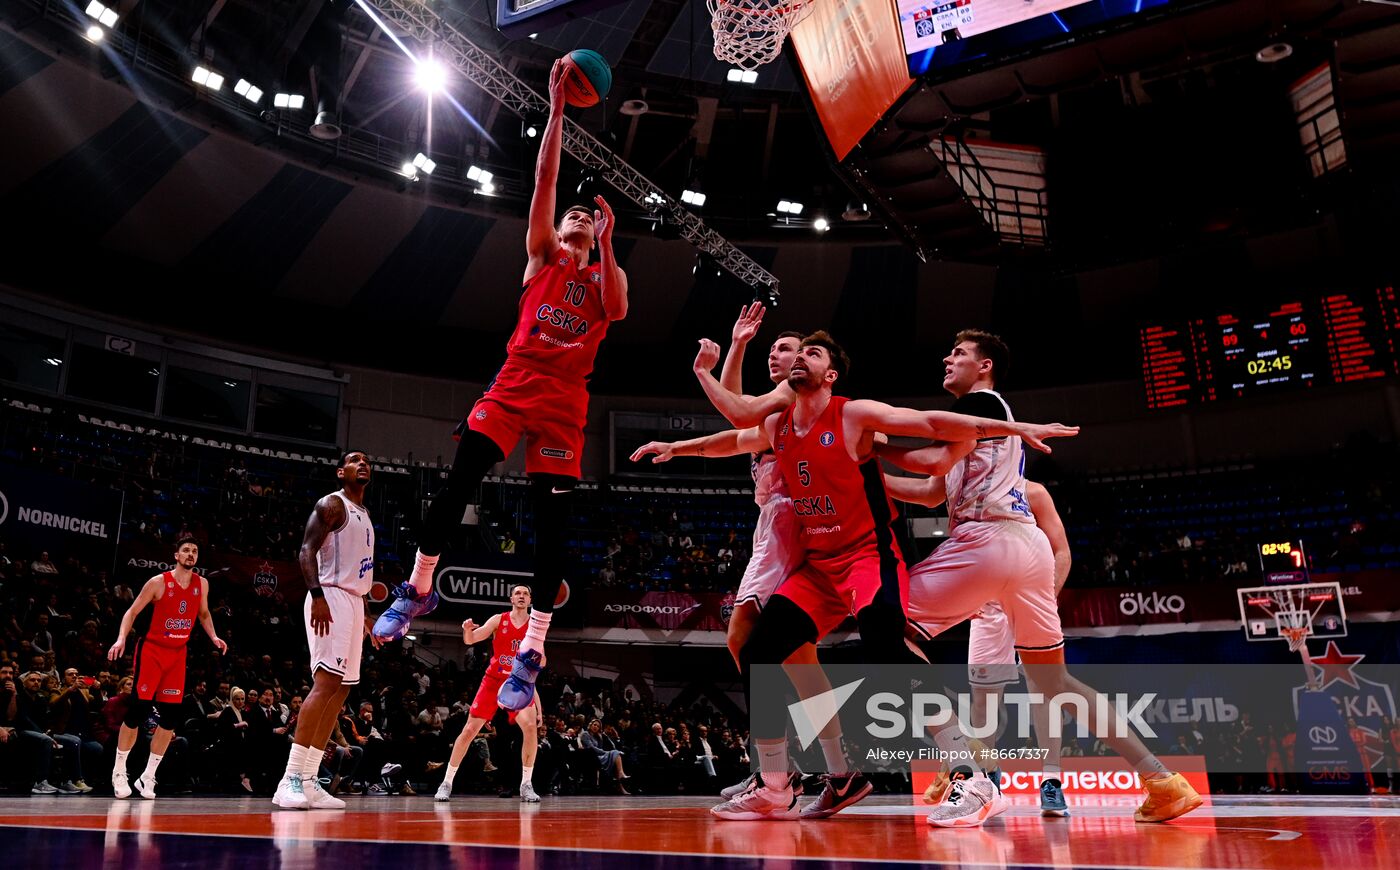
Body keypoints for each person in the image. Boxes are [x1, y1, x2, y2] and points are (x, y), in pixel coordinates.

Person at [632, 331, 1077, 820]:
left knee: (887, 649)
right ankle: (776, 784)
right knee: (759, 649)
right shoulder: (779, 424)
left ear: (831, 375)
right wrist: (679, 448)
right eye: (797, 354)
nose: (800, 359)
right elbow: (734, 437)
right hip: (821, 568)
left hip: (868, 556)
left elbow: (929, 421)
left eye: (812, 354)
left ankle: (970, 774)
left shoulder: (852, 413)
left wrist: (1016, 429)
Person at [374, 57, 629, 721]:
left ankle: (533, 652)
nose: (575, 216)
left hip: (565, 407)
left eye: (584, 217)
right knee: (459, 481)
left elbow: (621, 308)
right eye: (571, 215)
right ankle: (420, 586)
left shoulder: (601, 283)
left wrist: (610, 242)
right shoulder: (542, 255)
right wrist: (556, 109)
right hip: (516, 384)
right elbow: (546, 179)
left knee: (552, 533)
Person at [880, 329, 1200, 826]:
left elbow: (929, 458)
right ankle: (1163, 781)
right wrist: (873, 478)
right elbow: (926, 490)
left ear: (985, 366)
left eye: (959, 353)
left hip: (986, 543)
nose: (947, 358)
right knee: (1059, 683)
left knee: (885, 626)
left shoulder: (982, 401)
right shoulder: (975, 429)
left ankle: (966, 770)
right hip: (1026, 552)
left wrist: (867, 446)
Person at [682, 305, 859, 816]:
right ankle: (836, 769)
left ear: (808, 361)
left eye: (789, 349)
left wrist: (704, 371)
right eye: (775, 349)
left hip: (788, 519)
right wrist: (737, 345)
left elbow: (736, 413)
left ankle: (775, 774)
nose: (778, 355)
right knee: (800, 664)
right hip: (782, 519)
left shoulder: (791, 396)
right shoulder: (779, 405)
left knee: (743, 638)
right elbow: (736, 410)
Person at [902, 480, 1070, 814]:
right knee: (983, 701)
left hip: (1029, 599)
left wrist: (1044, 598)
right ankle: (987, 780)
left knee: (1044, 692)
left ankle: (1051, 782)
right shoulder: (967, 492)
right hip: (988, 609)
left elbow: (1061, 551)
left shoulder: (1033, 493)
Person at [274, 451, 383, 810]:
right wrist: (317, 595)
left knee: (343, 690)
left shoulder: (364, 513)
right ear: (341, 472)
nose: (363, 464)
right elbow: (306, 551)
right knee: (325, 685)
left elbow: (361, 574)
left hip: (353, 602)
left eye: (367, 461)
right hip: (330, 596)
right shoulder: (331, 505)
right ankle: (289, 780)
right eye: (355, 461)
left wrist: (366, 616)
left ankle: (309, 780)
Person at [107, 536, 226, 799]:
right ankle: (119, 770)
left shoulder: (202, 584)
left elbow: (203, 614)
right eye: (186, 550)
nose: (191, 554)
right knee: (138, 709)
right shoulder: (159, 582)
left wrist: (214, 637)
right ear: (176, 555)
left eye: (195, 551)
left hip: (177, 654)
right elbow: (132, 612)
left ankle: (148, 777)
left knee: (171, 717)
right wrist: (121, 638)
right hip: (152, 651)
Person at [437, 585, 544, 803]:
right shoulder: (499, 619)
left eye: (525, 593)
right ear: (511, 598)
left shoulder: (535, 626)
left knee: (531, 727)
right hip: (494, 681)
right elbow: (471, 639)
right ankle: (446, 782)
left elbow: (543, 660)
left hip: (518, 682)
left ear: (530, 599)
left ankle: (526, 784)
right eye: (518, 593)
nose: (521, 596)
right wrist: (467, 630)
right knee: (469, 730)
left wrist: (533, 663)